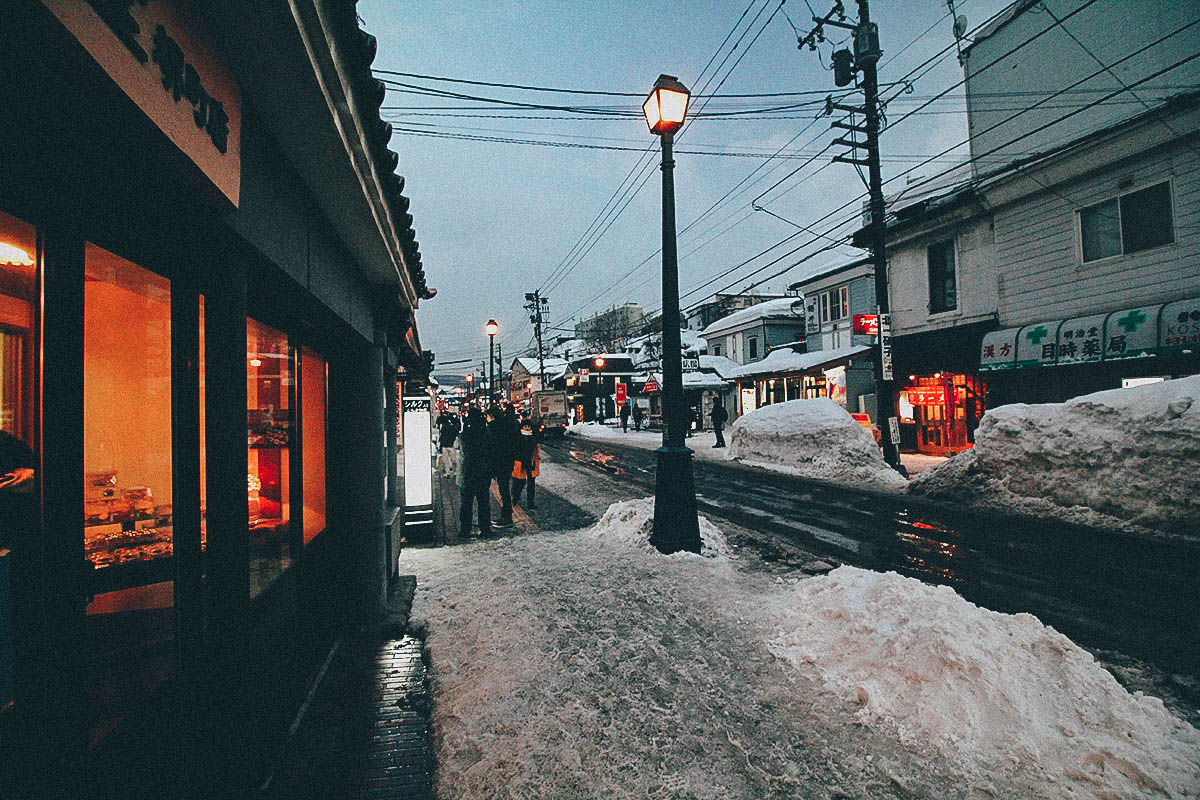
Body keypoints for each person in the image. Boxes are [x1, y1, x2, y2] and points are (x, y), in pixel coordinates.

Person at [456, 407, 495, 537]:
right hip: (483, 472)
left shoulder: (465, 434)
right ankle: (485, 528)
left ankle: (465, 529)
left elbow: (463, 452)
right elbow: (490, 451)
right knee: (484, 502)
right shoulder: (487, 432)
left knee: (466, 503)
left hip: (468, 472)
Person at [487, 405, 517, 527]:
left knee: (503, 490)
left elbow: (491, 446)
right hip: (508, 461)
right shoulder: (507, 425)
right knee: (504, 490)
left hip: (498, 462)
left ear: (491, 416)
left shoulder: (493, 427)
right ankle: (507, 514)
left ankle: (507, 517)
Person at [511, 418, 540, 510]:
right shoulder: (517, 437)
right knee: (519, 483)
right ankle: (515, 498)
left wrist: (536, 460)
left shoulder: (533, 437)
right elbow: (514, 451)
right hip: (520, 463)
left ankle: (530, 503)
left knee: (531, 484)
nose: (527, 428)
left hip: (530, 463)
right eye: (525, 426)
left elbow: (536, 450)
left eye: (528, 426)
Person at [436, 408, 460, 473]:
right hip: (450, 445)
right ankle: (454, 471)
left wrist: (440, 447)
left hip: (445, 445)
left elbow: (441, 438)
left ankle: (448, 472)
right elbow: (456, 434)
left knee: (446, 459)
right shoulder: (453, 427)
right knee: (453, 459)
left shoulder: (444, 429)